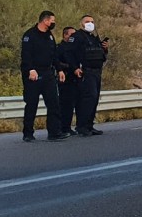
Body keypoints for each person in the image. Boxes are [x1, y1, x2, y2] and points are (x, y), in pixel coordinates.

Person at [20, 10, 69, 142]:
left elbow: (54, 55)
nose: (54, 23)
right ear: (45, 20)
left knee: (54, 103)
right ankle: (28, 133)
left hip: (48, 74)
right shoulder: (29, 35)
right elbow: (26, 55)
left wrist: (59, 70)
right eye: (52, 21)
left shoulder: (50, 36)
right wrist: (30, 69)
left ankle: (54, 132)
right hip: (33, 75)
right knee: (31, 105)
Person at [67, 14, 109, 136]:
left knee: (94, 99)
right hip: (86, 72)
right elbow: (69, 54)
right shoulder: (77, 37)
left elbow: (101, 55)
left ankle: (89, 126)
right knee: (88, 98)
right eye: (87, 21)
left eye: (92, 21)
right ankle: (82, 126)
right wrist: (75, 68)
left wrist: (105, 49)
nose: (90, 23)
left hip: (97, 72)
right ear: (82, 23)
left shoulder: (94, 38)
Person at [57, 26, 81, 135]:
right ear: (65, 35)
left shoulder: (75, 48)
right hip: (65, 79)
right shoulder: (60, 48)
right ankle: (64, 127)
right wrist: (69, 67)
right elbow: (57, 62)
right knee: (66, 105)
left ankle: (72, 126)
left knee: (75, 104)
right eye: (71, 35)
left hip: (76, 79)